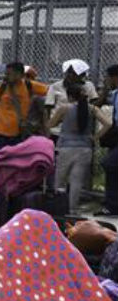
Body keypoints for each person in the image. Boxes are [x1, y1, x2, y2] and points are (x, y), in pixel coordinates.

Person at [0, 61, 49, 204]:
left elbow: (50, 92)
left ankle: (11, 193)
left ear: (20, 74)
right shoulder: (2, 88)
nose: (6, 76)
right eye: (6, 73)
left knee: (15, 166)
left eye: (9, 73)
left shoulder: (29, 86)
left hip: (18, 134)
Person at [48, 83, 109, 212]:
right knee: (76, 182)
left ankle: (58, 208)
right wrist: (95, 137)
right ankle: (73, 210)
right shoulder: (92, 109)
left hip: (66, 147)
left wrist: (58, 120)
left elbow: (51, 124)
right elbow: (108, 123)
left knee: (60, 180)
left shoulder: (64, 108)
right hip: (85, 148)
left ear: (69, 96)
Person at [99, 65, 118, 216]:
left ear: (115, 77)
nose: (106, 80)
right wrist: (105, 89)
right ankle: (111, 205)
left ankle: (112, 205)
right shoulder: (115, 94)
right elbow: (98, 103)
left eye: (108, 77)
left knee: (109, 163)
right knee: (111, 166)